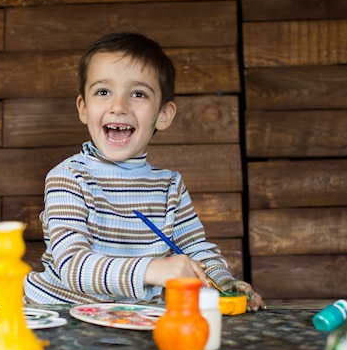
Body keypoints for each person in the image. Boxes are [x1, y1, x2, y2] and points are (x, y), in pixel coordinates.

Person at [24, 32, 265, 311]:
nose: (119, 107)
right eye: (103, 92)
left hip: (130, 320)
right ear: (84, 109)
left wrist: (224, 283)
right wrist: (154, 270)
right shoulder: (68, 177)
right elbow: (74, 266)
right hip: (60, 319)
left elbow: (195, 251)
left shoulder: (169, 186)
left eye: (138, 94)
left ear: (163, 115)